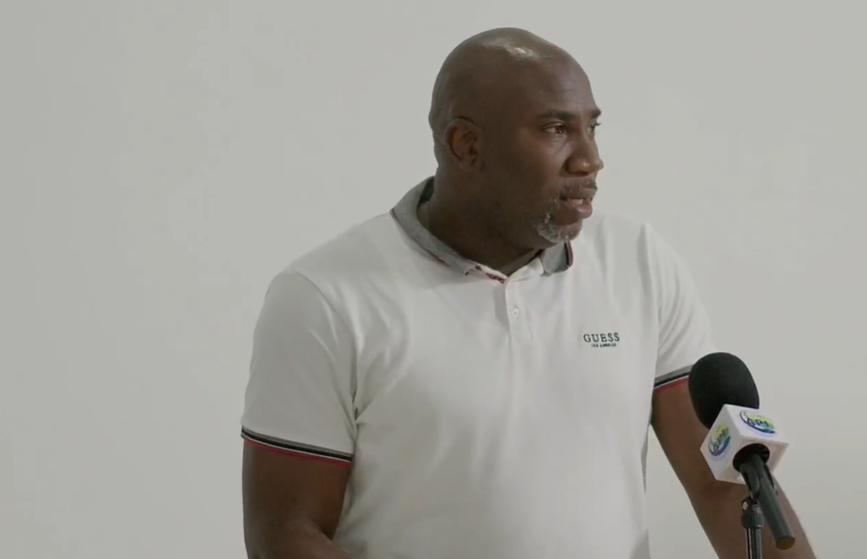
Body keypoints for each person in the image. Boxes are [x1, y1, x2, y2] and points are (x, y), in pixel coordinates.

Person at [239, 27, 817, 559]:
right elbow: (286, 534)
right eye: (556, 129)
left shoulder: (639, 261)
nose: (590, 159)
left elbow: (725, 486)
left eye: (592, 127)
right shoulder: (324, 297)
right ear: (466, 144)